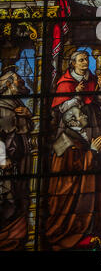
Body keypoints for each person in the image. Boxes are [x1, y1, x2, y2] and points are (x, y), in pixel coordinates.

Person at [45, 106, 101, 250]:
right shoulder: (65, 142)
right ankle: (79, 235)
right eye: (81, 114)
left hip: (83, 188)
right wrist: (92, 152)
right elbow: (69, 171)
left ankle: (91, 232)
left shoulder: (79, 137)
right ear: (73, 122)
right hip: (69, 193)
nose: (85, 116)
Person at [0, 68, 32, 250]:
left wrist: (28, 115)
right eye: (19, 80)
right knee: (8, 197)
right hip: (7, 164)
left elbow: (28, 128)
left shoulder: (16, 103)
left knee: (20, 195)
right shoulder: (3, 106)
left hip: (22, 160)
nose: (22, 82)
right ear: (9, 84)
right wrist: (2, 158)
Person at [51, 50, 101, 141]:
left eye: (86, 59)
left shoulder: (92, 79)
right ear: (74, 63)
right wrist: (77, 95)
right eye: (81, 60)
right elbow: (63, 108)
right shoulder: (65, 82)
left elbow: (98, 101)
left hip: (92, 119)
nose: (86, 62)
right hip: (71, 124)